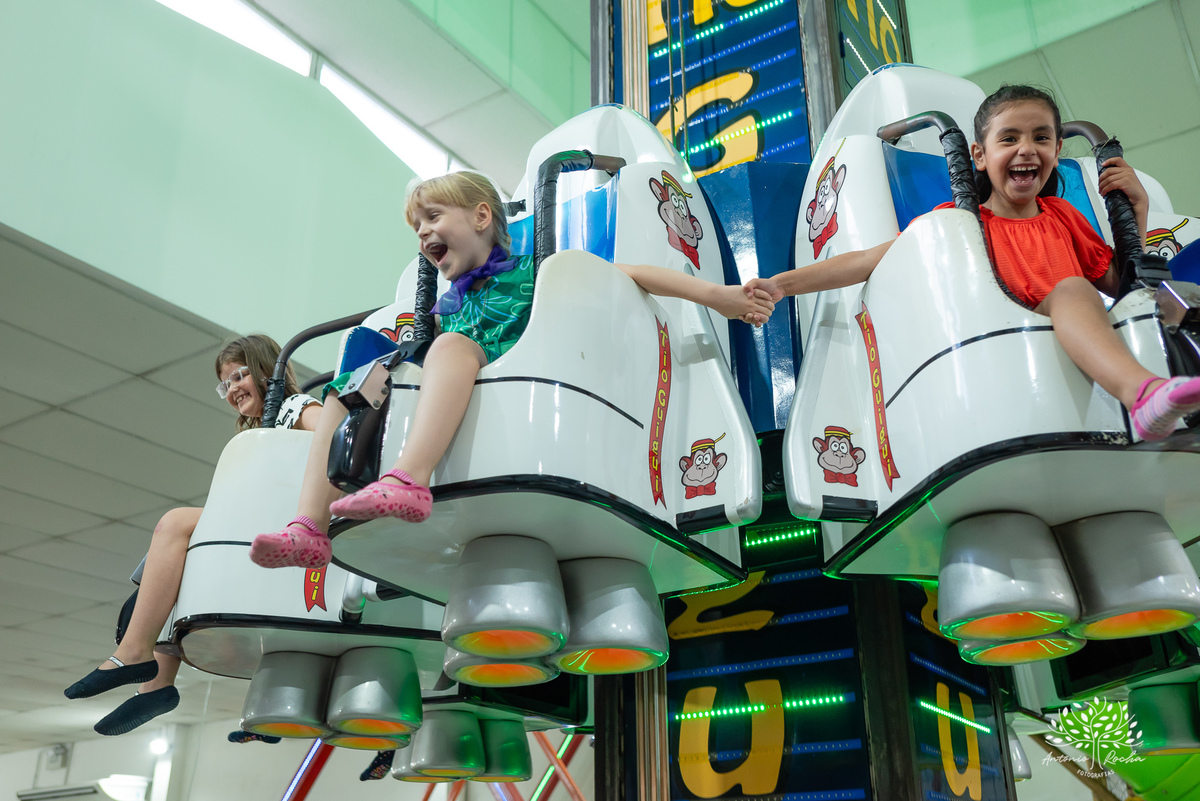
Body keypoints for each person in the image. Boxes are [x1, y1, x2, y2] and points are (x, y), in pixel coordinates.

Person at [250, 170, 776, 568]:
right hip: (448, 372)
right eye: (417, 228)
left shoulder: (533, 273)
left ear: (481, 217)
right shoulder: (444, 309)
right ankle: (309, 529)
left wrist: (719, 297)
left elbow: (634, 274)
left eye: (433, 218)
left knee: (452, 346)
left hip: (509, 371)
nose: (423, 234)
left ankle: (410, 478)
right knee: (343, 392)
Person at [745, 84, 1200, 442]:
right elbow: (865, 260)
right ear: (979, 156)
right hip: (996, 346)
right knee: (1073, 288)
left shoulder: (1065, 217)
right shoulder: (960, 224)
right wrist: (781, 284)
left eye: (1041, 138)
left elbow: (1126, 289)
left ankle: (1157, 389)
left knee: (1130, 294)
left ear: (1057, 151)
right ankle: (1141, 395)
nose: (1027, 149)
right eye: (1010, 139)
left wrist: (1135, 210)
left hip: (1071, 342)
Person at [64, 335, 321, 735]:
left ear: (268, 370)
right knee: (169, 573)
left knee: (175, 524)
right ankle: (155, 684)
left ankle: (134, 655)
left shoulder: (296, 407)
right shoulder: (262, 426)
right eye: (226, 383)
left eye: (240, 374)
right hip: (257, 524)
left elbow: (333, 440)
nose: (233, 388)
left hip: (284, 524)